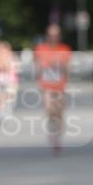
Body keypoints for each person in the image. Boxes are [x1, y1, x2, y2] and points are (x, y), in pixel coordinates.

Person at [34, 24, 72, 153]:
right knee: (49, 110)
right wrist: (38, 78)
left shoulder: (65, 49)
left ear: (59, 36)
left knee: (59, 113)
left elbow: (67, 68)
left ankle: (58, 135)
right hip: (46, 86)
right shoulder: (41, 49)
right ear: (47, 36)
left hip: (60, 86)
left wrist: (62, 69)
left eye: (56, 35)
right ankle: (53, 135)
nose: (53, 38)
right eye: (51, 35)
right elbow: (38, 67)